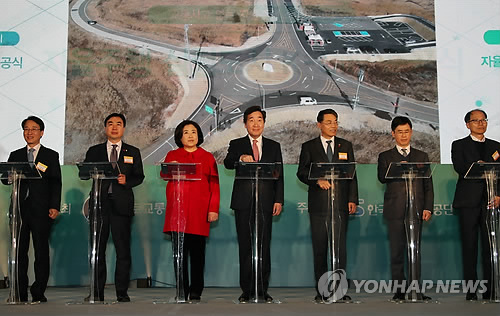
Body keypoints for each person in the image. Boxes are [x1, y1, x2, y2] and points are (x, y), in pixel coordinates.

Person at [81, 113, 144, 302]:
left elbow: (139, 177)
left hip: (122, 205)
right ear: (105, 128)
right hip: (100, 204)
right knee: (97, 249)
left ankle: (122, 292)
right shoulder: (95, 151)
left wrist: (126, 181)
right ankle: (97, 291)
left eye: (118, 124)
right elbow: (84, 173)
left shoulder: (132, 151)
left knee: (123, 250)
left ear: (123, 128)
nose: (114, 127)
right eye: (110, 124)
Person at [297, 109, 358, 303]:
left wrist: (352, 199)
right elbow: (301, 172)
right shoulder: (309, 146)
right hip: (319, 206)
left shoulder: (345, 145)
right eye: (329, 122)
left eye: (336, 122)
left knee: (339, 249)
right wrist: (317, 180)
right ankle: (322, 290)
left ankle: (340, 290)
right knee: (321, 249)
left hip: (340, 203)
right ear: (319, 125)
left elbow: (352, 175)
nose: (333, 125)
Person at [223, 106, 284, 303]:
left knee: (263, 246)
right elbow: (228, 162)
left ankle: (262, 289)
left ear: (264, 123)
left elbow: (279, 175)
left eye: (259, 120)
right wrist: (241, 158)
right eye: (251, 120)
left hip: (266, 201)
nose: (256, 123)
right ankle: (247, 290)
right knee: (246, 247)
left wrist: (278, 199)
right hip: (244, 202)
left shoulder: (274, 146)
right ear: (245, 123)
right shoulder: (237, 144)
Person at [1, 116, 61, 303]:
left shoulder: (51, 155)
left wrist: (54, 206)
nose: (30, 132)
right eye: (26, 129)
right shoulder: (15, 154)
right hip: (19, 210)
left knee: (41, 252)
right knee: (19, 252)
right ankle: (19, 292)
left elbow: (55, 183)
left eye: (34, 129)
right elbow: (5, 178)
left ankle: (38, 291)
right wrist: (9, 177)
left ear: (41, 132)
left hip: (42, 210)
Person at [161, 120, 220, 302]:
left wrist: (213, 209)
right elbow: (164, 175)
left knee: (197, 255)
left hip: (199, 212)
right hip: (177, 212)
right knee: (179, 254)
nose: (190, 135)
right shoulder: (172, 154)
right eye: (186, 132)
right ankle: (181, 290)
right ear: (179, 136)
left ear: (199, 135)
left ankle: (196, 291)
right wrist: (173, 165)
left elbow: (214, 185)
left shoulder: (207, 157)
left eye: (193, 131)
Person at [377, 116, 433, 301]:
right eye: (400, 132)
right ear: (393, 134)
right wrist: (397, 169)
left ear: (411, 132)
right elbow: (382, 178)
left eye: (407, 131)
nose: (403, 135)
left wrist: (428, 207)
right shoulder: (385, 156)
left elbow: (428, 185)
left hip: (416, 210)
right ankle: (400, 290)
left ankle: (416, 289)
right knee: (397, 251)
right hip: (395, 209)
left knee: (414, 250)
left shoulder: (421, 156)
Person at [451, 109, 500, 301]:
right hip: (468, 202)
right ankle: (471, 290)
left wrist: (498, 195)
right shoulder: (459, 145)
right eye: (476, 121)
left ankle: (492, 288)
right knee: (470, 246)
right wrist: (477, 166)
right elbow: (460, 168)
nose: (481, 123)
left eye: (484, 120)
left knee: (490, 247)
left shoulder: (496, 146)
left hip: (490, 202)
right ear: (467, 124)